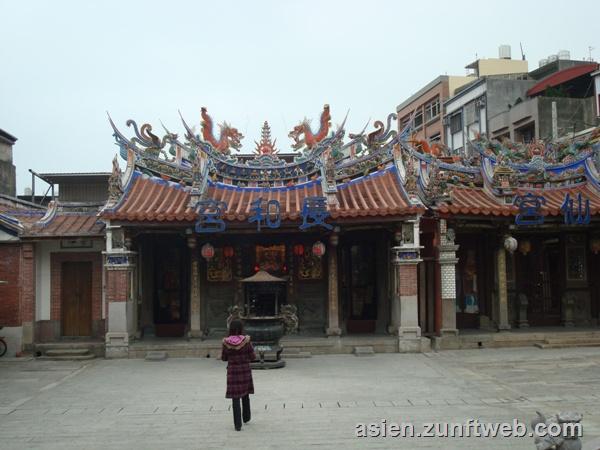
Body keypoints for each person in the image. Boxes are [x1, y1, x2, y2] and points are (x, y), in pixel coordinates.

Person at [221, 319, 256, 431]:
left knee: (235, 398)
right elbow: (253, 357)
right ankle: (246, 417)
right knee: (245, 394)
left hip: (232, 371)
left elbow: (224, 358)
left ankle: (237, 425)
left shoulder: (226, 342)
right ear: (241, 328)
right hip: (245, 370)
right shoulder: (246, 341)